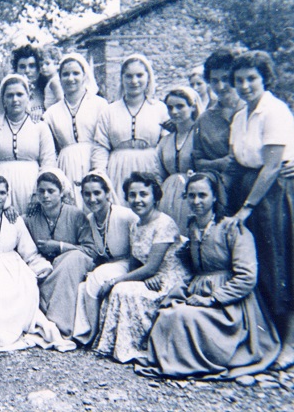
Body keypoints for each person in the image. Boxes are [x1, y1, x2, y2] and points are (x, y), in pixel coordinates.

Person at [135, 172, 281, 379]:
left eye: (202, 195)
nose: (196, 201)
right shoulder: (193, 227)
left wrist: (212, 299)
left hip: (229, 305)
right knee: (168, 312)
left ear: (214, 197)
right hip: (199, 290)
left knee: (183, 315)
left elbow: (247, 277)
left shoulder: (232, 228)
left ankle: (190, 362)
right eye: (191, 196)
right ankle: (173, 360)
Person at [227, 51, 294, 370]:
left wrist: (247, 208)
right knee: (252, 264)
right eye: (239, 80)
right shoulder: (241, 115)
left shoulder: (274, 111)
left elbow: (271, 167)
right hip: (245, 189)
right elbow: (235, 161)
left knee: (278, 262)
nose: (245, 85)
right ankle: (263, 338)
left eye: (252, 78)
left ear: (265, 78)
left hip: (271, 195)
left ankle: (290, 342)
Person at [0, 174, 76, 352]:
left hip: (13, 270)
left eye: (2, 193)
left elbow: (29, 252)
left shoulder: (14, 220)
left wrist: (41, 268)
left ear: (7, 196)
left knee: (22, 290)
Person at [93, 172, 190, 363]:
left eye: (143, 194)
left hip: (168, 281)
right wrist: (137, 278)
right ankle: (113, 346)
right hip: (150, 277)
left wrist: (114, 280)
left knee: (120, 288)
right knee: (118, 289)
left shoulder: (164, 223)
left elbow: (152, 267)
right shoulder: (136, 225)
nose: (137, 200)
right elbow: (136, 263)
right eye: (132, 195)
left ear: (155, 197)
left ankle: (135, 346)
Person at [24, 169, 95, 337]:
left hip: (74, 266)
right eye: (41, 191)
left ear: (61, 193)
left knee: (73, 258)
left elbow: (91, 251)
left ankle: (59, 323)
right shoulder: (31, 218)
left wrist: (60, 246)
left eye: (51, 191)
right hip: (45, 269)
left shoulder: (76, 215)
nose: (45, 196)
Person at [92, 54, 170, 204]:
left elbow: (166, 144)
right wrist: (100, 175)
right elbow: (101, 146)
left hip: (150, 169)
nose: (134, 81)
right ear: (122, 78)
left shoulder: (159, 109)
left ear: (148, 77)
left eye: (139, 75)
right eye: (129, 76)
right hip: (118, 170)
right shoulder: (109, 111)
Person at [72, 172, 139, 344]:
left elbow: (140, 247)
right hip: (111, 264)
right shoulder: (90, 219)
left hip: (130, 263)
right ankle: (83, 334)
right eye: (87, 194)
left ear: (108, 193)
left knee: (96, 277)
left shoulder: (125, 215)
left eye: (97, 193)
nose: (92, 199)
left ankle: (95, 334)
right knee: (82, 286)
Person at [0, 74, 56, 214]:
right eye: (10, 95)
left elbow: (48, 161)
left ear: (28, 97)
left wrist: (38, 193)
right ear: (3, 99)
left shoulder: (40, 126)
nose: (15, 100)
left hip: (32, 189)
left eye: (19, 94)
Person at [42, 53, 109, 209]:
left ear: (84, 76)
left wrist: (99, 170)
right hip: (66, 166)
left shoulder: (100, 105)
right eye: (66, 74)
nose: (71, 78)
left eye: (76, 73)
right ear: (59, 78)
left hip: (95, 161)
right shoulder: (51, 113)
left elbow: (105, 140)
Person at [191, 49, 246, 215]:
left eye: (225, 79)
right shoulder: (204, 120)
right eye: (214, 81)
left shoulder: (253, 111)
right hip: (223, 195)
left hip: (255, 191)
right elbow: (198, 161)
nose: (220, 87)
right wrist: (220, 163)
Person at [157, 87, 203, 235]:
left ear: (192, 107)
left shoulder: (200, 135)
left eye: (180, 106)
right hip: (167, 196)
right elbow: (159, 173)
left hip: (193, 194)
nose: (174, 111)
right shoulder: (165, 140)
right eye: (170, 107)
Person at [11, 44, 46, 122]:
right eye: (22, 67)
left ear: (38, 68)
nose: (27, 71)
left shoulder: (47, 90)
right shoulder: (11, 93)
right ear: (16, 70)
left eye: (32, 66)